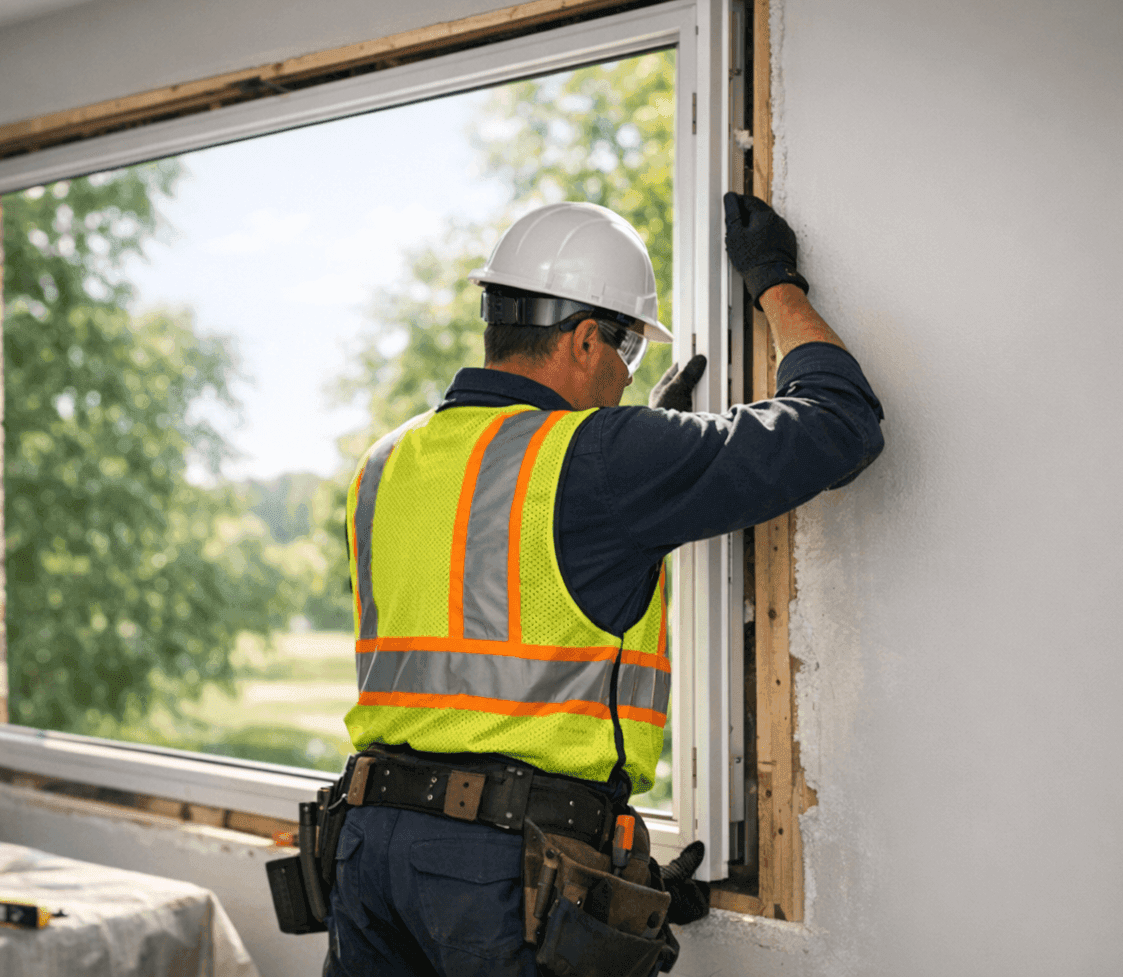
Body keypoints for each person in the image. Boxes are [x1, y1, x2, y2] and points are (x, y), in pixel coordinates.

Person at [323, 194, 884, 977]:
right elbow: (839, 423)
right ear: (588, 338)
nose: (628, 379)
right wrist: (774, 281)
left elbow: (504, 594)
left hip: (367, 849)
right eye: (629, 354)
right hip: (497, 875)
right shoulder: (601, 459)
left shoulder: (389, 461)